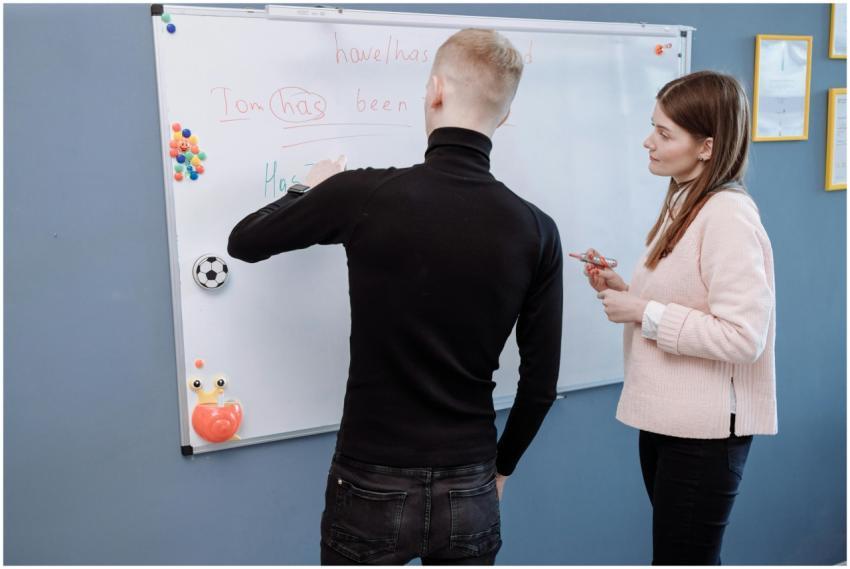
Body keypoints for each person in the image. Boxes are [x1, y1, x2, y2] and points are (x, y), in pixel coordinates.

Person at [228, 28, 563, 565]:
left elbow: (243, 242)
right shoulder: (536, 229)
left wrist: (307, 189)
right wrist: (500, 470)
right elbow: (540, 385)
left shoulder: (362, 194)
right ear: (504, 116)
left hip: (370, 479)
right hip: (470, 482)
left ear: (434, 90)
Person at [581, 70, 776, 565]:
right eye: (653, 126)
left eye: (664, 133)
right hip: (670, 423)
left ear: (707, 146)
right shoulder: (685, 201)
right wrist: (625, 291)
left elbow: (743, 338)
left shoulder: (727, 215)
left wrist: (643, 311)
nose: (648, 141)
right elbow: (690, 302)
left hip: (704, 437)